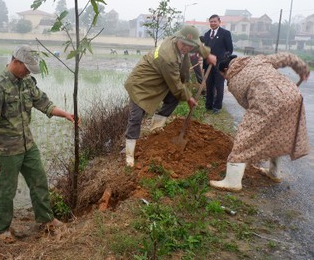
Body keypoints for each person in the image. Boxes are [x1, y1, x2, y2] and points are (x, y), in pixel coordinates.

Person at [0, 45, 76, 242]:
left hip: (27, 145)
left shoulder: (27, 82)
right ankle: (1, 229)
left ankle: (46, 219)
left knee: (39, 180)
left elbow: (44, 103)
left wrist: (65, 114)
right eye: (26, 68)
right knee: (7, 190)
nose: (28, 73)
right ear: (16, 61)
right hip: (7, 150)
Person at [209, 53, 310, 192]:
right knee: (279, 133)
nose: (224, 78)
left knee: (245, 138)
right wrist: (303, 70)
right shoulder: (258, 59)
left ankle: (232, 182)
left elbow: (248, 105)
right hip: (293, 94)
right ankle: (274, 172)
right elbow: (287, 57)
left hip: (270, 101)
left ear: (226, 69)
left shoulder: (233, 81)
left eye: (223, 75)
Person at [123, 25, 217, 167]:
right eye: (183, 44)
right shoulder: (168, 56)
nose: (186, 48)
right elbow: (176, 84)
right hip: (141, 84)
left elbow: (196, 44)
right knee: (136, 117)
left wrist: (207, 54)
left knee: (175, 97)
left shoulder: (183, 40)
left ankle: (156, 128)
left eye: (189, 46)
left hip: (159, 80)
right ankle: (129, 155)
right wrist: (189, 98)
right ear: (178, 39)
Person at [202, 15, 233, 114]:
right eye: (211, 22)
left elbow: (230, 50)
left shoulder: (225, 33)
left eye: (215, 21)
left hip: (219, 65)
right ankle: (208, 105)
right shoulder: (206, 34)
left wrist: (223, 59)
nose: (213, 23)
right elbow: (204, 50)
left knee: (219, 86)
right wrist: (204, 65)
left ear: (219, 22)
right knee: (209, 85)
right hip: (208, 65)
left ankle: (217, 106)